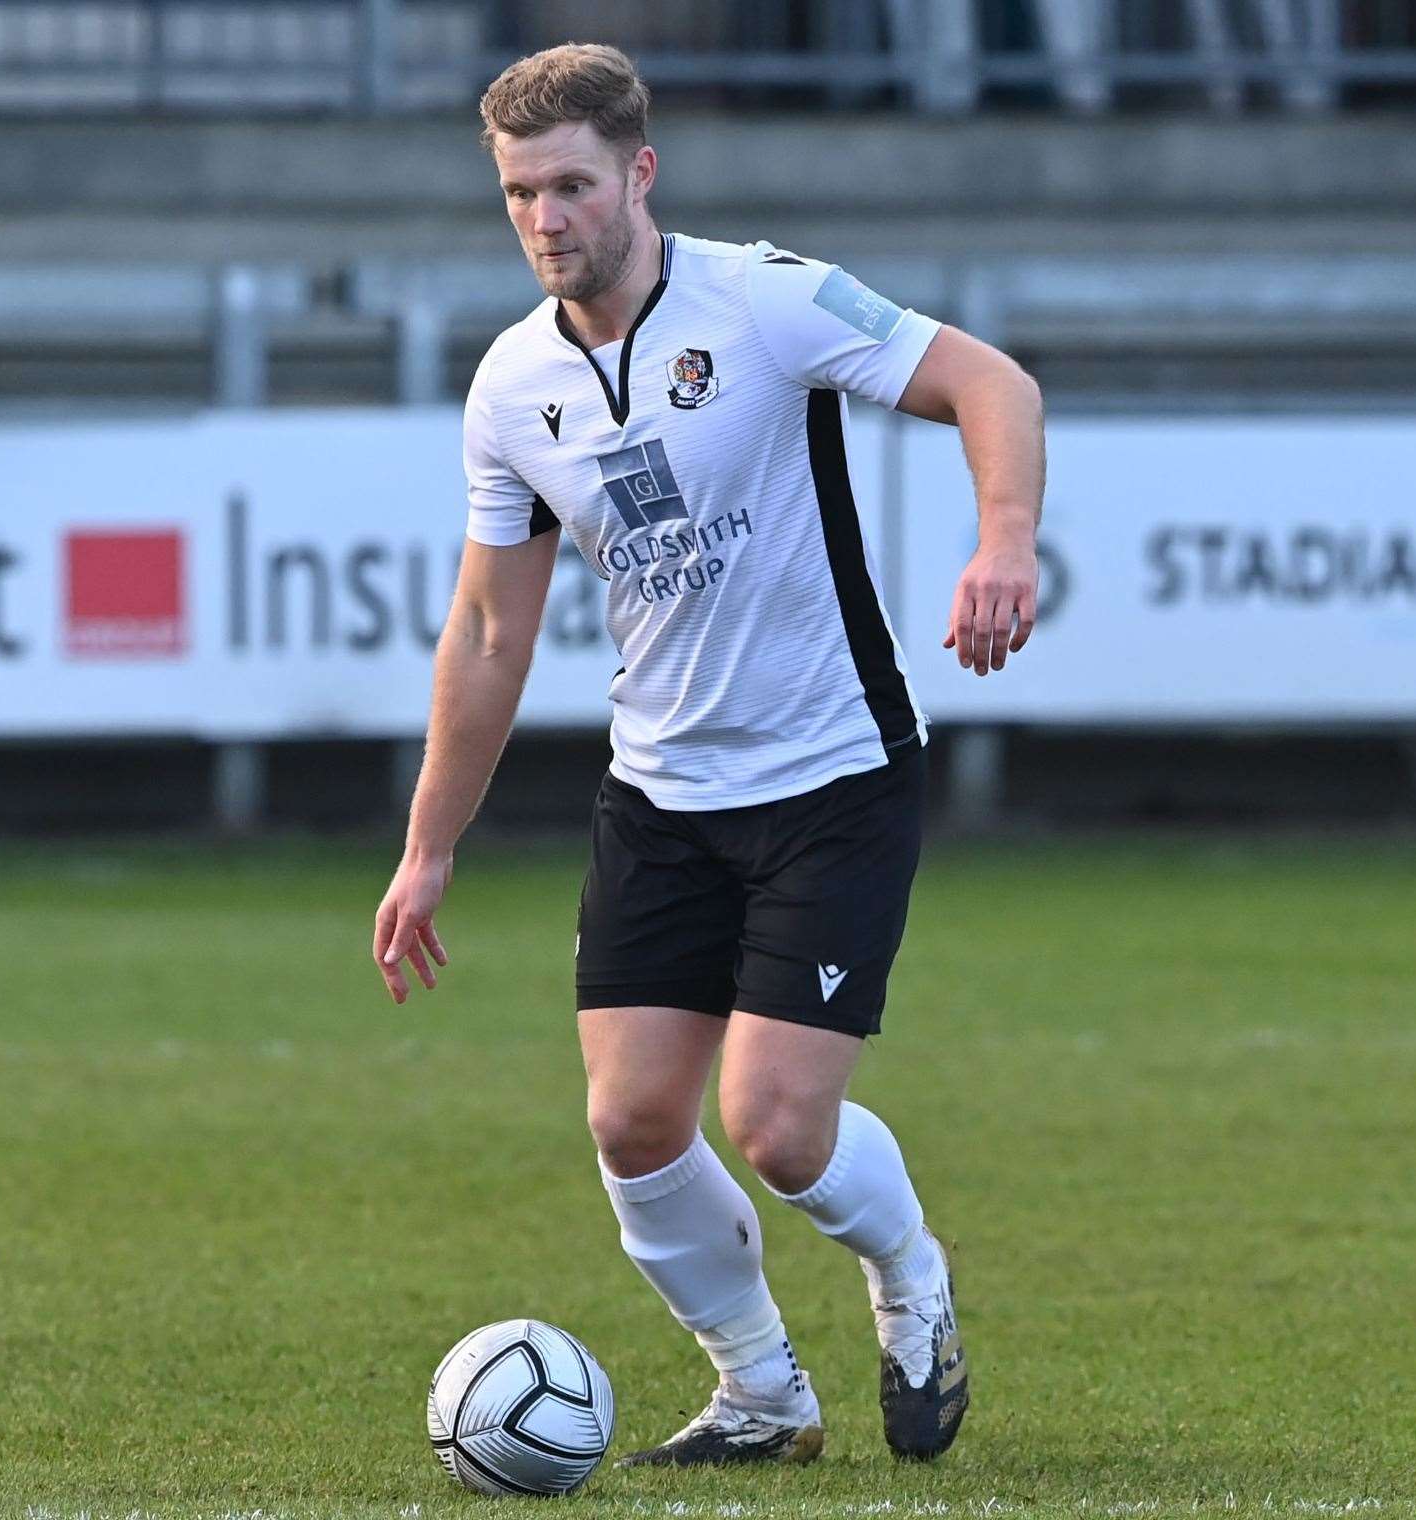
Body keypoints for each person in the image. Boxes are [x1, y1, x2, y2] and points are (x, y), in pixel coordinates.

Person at [373, 42, 1045, 1468]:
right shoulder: (509, 390)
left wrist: (1001, 546)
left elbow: (994, 385)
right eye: (516, 195)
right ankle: (761, 1392)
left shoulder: (768, 302)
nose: (545, 219)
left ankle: (910, 1278)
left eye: (569, 186)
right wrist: (430, 848)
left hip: (833, 775)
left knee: (781, 1130)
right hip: (662, 793)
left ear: (639, 174)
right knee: (630, 1122)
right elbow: (491, 632)